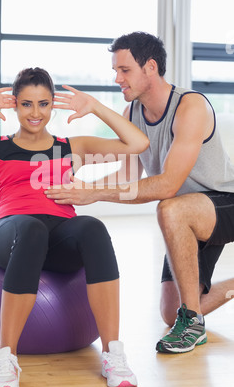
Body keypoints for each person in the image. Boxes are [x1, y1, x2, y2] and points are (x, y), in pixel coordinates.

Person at [0, 67, 149, 387]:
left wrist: (94, 106)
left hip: (61, 236)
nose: (36, 113)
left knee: (92, 227)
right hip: (13, 232)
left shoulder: (72, 147)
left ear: (52, 106)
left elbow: (138, 143)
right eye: (27, 104)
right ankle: (5, 358)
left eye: (44, 104)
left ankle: (112, 353)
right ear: (15, 105)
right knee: (32, 229)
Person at [45, 32, 234, 355]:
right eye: (115, 70)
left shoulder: (190, 106)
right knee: (169, 311)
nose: (117, 78)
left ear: (150, 67)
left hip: (223, 203)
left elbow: (166, 185)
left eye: (124, 70)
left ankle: (192, 324)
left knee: (169, 207)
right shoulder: (133, 114)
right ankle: (197, 310)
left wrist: (94, 193)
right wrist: (76, 184)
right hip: (186, 214)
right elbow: (127, 175)